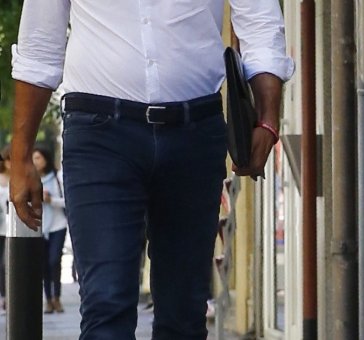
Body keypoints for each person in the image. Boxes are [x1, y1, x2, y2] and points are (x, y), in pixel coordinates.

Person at [10, 1, 293, 339]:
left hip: (195, 131)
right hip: (99, 135)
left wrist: (267, 115)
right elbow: (40, 44)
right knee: (106, 303)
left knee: (185, 312)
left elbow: (260, 19)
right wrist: (21, 153)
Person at [32, 146, 67, 314]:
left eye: (38, 157)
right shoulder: (29, 179)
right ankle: (48, 300)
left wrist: (50, 200)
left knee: (54, 261)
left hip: (58, 226)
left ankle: (57, 297)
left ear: (46, 159)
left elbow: (68, 201)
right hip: (39, 227)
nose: (35, 161)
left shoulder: (58, 178)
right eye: (33, 158)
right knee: (43, 264)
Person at [0, 144, 10, 311]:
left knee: (10, 263)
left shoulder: (23, 177)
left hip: (16, 228)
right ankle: (4, 296)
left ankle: (11, 296)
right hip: (1, 227)